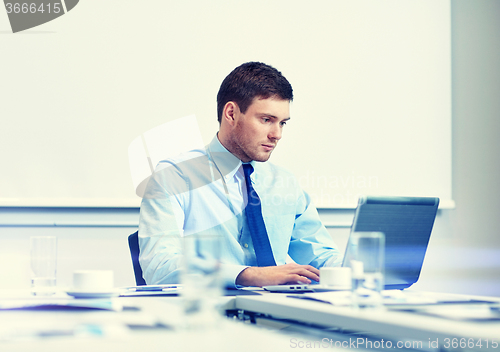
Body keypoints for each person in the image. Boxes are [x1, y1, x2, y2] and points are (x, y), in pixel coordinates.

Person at [138, 62, 341, 288]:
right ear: (231, 113)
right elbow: (160, 265)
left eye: (282, 123)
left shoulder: (284, 183)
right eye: (266, 120)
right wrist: (248, 275)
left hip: (280, 312)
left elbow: (321, 256)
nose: (277, 134)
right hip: (209, 313)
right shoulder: (175, 177)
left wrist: (368, 268)